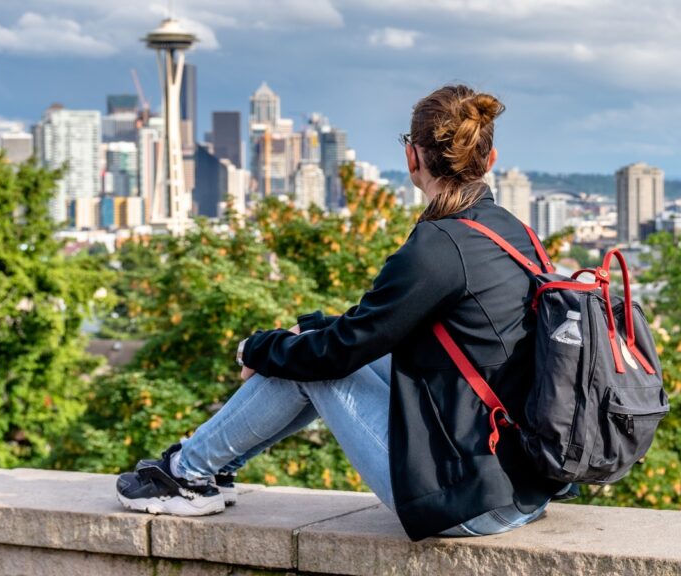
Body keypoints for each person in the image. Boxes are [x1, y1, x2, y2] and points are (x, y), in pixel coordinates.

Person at [116, 84, 567, 541]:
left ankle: (187, 472)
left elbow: (338, 355)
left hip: (469, 503)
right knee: (311, 350)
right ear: (490, 160)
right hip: (522, 485)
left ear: (414, 158)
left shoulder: (438, 247)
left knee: (315, 366)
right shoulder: (513, 233)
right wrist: (308, 330)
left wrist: (259, 347)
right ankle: (206, 469)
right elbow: (379, 331)